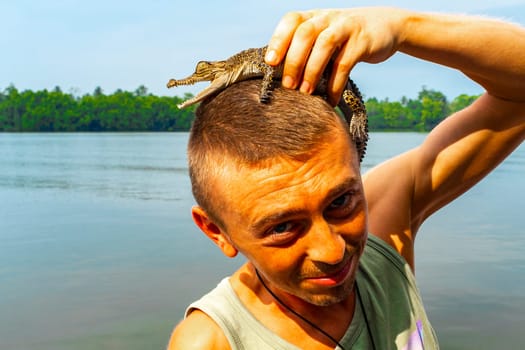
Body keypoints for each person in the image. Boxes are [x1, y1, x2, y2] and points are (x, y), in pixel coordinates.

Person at [168, 7, 525, 350]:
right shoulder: (212, 341)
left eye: (341, 202)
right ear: (216, 232)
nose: (333, 251)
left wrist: (401, 27)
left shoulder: (385, 230)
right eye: (282, 227)